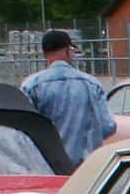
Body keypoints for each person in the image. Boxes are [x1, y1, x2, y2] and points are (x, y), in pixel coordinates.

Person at [21, 29, 112, 164]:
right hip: (87, 167)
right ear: (67, 51)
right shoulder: (91, 84)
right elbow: (108, 126)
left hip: (48, 166)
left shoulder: (31, 86)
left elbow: (25, 130)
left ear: (44, 54)